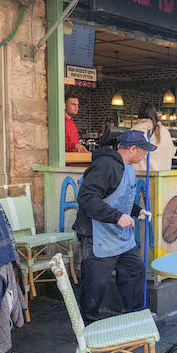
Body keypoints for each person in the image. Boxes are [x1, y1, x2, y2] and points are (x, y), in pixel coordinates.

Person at [72, 130, 156, 323]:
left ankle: (134, 316)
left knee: (135, 270)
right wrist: (117, 216)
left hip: (120, 236)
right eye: (143, 150)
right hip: (97, 235)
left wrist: (137, 211)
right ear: (132, 149)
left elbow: (119, 197)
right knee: (95, 285)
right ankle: (89, 324)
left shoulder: (127, 167)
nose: (145, 155)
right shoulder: (105, 165)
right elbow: (86, 197)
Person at [130, 103, 176, 171]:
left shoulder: (135, 130)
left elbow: (128, 154)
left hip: (141, 177)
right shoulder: (164, 131)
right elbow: (172, 152)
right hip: (163, 176)